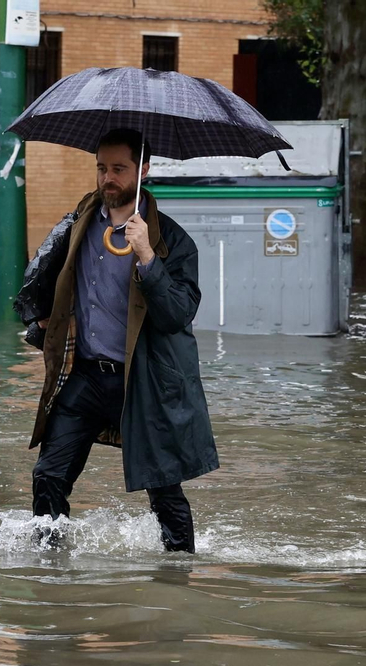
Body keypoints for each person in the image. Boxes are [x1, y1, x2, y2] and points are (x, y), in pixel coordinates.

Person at [19, 127, 218, 553]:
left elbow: (178, 315)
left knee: (163, 491)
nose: (108, 178)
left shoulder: (172, 240)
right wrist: (42, 320)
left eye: (119, 169)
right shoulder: (78, 223)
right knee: (48, 475)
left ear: (143, 170)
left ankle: (178, 572)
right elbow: (43, 277)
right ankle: (48, 566)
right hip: (86, 376)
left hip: (143, 381)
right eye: (101, 168)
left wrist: (147, 255)